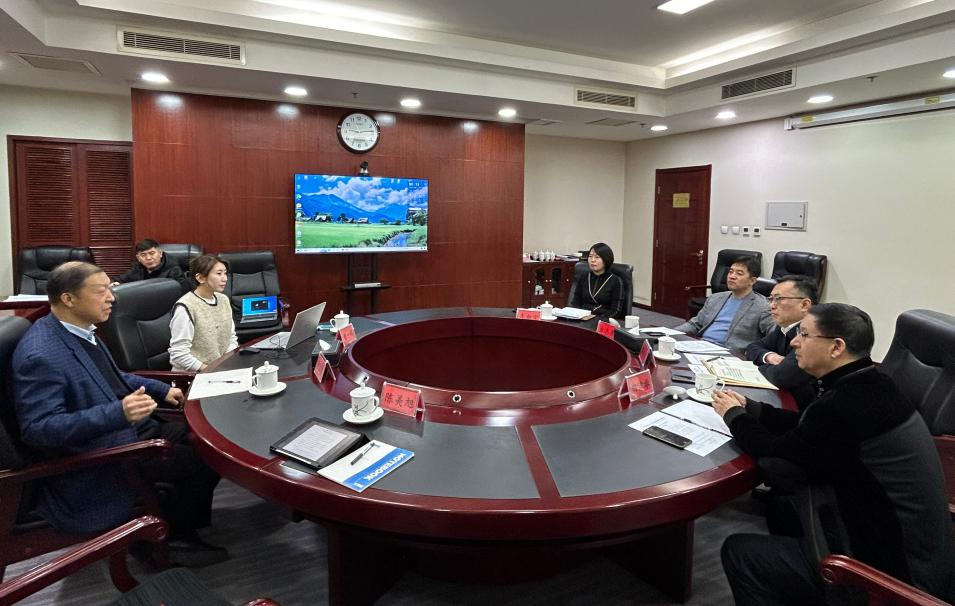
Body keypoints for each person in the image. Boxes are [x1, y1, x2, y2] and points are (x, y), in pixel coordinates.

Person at [714, 303, 954, 605]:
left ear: (836, 347)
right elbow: (808, 429)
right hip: (917, 550)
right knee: (781, 508)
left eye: (804, 334)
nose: (794, 342)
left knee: (740, 554)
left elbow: (778, 461)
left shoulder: (845, 405)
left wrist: (734, 417)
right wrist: (753, 408)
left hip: (892, 576)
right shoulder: (871, 384)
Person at [12, 261, 226, 566]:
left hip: (127, 429)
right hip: (101, 452)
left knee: (205, 440)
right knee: (201, 461)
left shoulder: (78, 329)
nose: (112, 297)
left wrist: (160, 389)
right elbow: (39, 429)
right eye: (101, 291)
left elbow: (111, 377)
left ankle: (185, 521)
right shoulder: (41, 355)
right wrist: (118, 413)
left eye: (110, 289)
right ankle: (167, 541)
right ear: (68, 298)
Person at [743, 275, 816, 409]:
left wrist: (758, 368)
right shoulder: (784, 327)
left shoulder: (813, 334)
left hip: (804, 409)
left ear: (804, 305)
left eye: (779, 299)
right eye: (771, 299)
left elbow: (782, 376)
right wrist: (770, 357)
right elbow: (752, 347)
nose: (772, 306)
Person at [674, 256, 773, 353]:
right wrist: (670, 333)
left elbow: (772, 336)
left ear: (752, 281)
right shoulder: (715, 298)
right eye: (730, 272)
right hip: (701, 346)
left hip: (731, 354)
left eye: (739, 273)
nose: (732, 276)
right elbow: (695, 324)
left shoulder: (763, 306)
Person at [169, 254, 238, 372]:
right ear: (201, 278)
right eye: (219, 273)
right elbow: (179, 353)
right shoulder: (185, 307)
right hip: (192, 375)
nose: (225, 278)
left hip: (219, 369)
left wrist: (228, 363)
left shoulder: (223, 299)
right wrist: (210, 370)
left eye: (225, 273)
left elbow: (230, 338)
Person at [569, 242, 625, 320]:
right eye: (590, 256)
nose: (592, 260)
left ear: (606, 259)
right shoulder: (584, 277)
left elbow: (616, 311)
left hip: (603, 320)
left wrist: (599, 320)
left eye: (597, 257)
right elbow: (575, 302)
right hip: (582, 318)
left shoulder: (615, 281)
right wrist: (578, 316)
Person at [115, 238, 192, 293]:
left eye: (152, 253)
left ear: (160, 253)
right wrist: (116, 284)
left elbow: (183, 291)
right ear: (138, 258)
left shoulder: (173, 269)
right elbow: (120, 280)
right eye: (143, 255)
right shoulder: (138, 268)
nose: (148, 258)